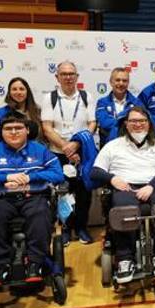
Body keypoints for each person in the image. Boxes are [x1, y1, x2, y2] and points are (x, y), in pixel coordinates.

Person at [0, 114, 64, 286]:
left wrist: (30, 178)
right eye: (8, 129)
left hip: (34, 198)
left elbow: (57, 174)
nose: (13, 132)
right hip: (2, 200)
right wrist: (3, 177)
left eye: (18, 128)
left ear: (27, 130)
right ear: (2, 132)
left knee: (40, 213)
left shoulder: (40, 150)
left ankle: (35, 264)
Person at [91, 107, 155, 283]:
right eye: (134, 121)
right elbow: (95, 171)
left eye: (142, 121)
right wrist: (112, 178)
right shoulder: (113, 146)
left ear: (149, 124)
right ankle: (125, 258)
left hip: (154, 185)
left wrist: (151, 186)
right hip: (125, 186)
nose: (138, 125)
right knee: (124, 210)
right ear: (126, 124)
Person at [41, 61, 96, 245]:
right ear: (57, 77)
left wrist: (76, 144)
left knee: (83, 193)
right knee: (63, 193)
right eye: (64, 74)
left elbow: (92, 124)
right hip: (59, 153)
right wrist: (66, 146)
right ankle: (65, 228)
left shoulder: (87, 96)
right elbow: (47, 128)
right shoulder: (50, 98)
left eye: (71, 73)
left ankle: (81, 228)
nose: (68, 77)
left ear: (77, 76)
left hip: (82, 153)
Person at [96, 67, 142, 148]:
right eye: (117, 80)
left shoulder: (136, 103)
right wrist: (125, 120)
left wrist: (117, 121)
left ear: (128, 83)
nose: (121, 83)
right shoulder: (102, 102)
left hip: (131, 148)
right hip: (107, 149)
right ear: (111, 82)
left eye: (124, 81)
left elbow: (138, 126)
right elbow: (104, 123)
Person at [0, 77, 43, 144]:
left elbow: (42, 138)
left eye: (21, 89)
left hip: (34, 153)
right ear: (9, 92)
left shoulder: (37, 112)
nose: (18, 92)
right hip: (8, 153)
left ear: (27, 92)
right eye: (14, 89)